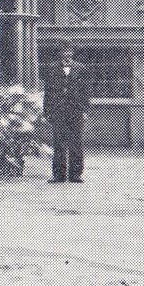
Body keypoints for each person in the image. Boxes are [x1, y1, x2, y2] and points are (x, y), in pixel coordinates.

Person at [42, 42, 91, 184]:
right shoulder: (52, 69)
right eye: (64, 51)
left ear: (72, 53)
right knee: (59, 142)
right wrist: (47, 111)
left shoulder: (81, 69)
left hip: (76, 111)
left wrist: (85, 110)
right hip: (58, 111)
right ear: (60, 53)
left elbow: (86, 92)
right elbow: (48, 92)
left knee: (76, 142)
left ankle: (76, 174)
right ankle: (59, 175)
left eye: (69, 51)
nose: (67, 54)